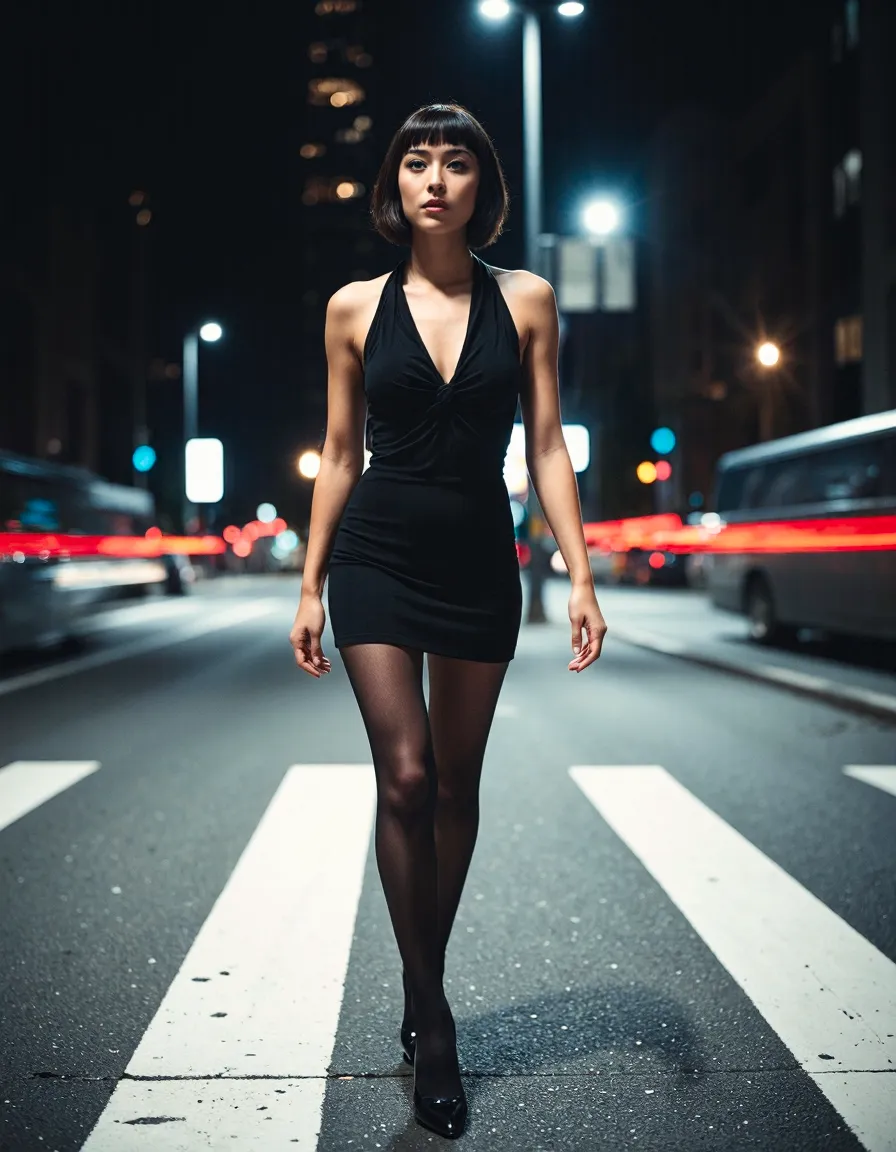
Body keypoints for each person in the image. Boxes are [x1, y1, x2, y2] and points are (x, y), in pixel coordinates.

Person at [289, 103, 608, 1140]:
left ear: (482, 184)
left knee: (460, 787)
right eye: (417, 161)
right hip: (377, 554)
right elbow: (339, 454)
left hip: (478, 556)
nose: (435, 178)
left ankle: (419, 972)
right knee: (408, 777)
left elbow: (549, 444)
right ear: (395, 183)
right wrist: (308, 582)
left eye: (455, 162)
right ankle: (431, 1018)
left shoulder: (526, 300)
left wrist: (581, 571)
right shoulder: (348, 307)